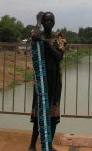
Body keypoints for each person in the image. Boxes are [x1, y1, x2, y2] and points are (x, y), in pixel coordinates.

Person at [28, 11, 66, 151]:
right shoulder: (38, 34)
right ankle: (32, 145)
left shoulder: (59, 38)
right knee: (39, 111)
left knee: (53, 112)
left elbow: (59, 57)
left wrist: (47, 45)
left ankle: (48, 145)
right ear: (43, 23)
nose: (49, 23)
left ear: (54, 22)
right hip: (41, 79)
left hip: (55, 79)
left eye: (51, 20)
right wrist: (37, 20)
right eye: (46, 21)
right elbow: (34, 36)